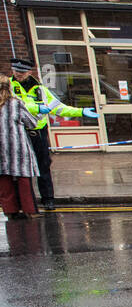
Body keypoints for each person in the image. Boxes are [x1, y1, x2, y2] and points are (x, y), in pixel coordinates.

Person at [10, 57, 97, 212]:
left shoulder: (40, 89)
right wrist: (36, 109)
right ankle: (24, 203)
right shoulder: (7, 87)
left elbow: (58, 108)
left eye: (22, 72)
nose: (19, 74)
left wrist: (80, 111)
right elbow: (14, 105)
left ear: (30, 72)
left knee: (43, 165)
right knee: (21, 169)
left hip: (38, 132)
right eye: (16, 71)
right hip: (18, 132)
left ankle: (48, 199)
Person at [0, 79, 39, 218]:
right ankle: (30, 211)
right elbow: (32, 122)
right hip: (17, 146)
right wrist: (39, 115)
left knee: (4, 180)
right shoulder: (15, 104)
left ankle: (10, 211)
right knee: (24, 179)